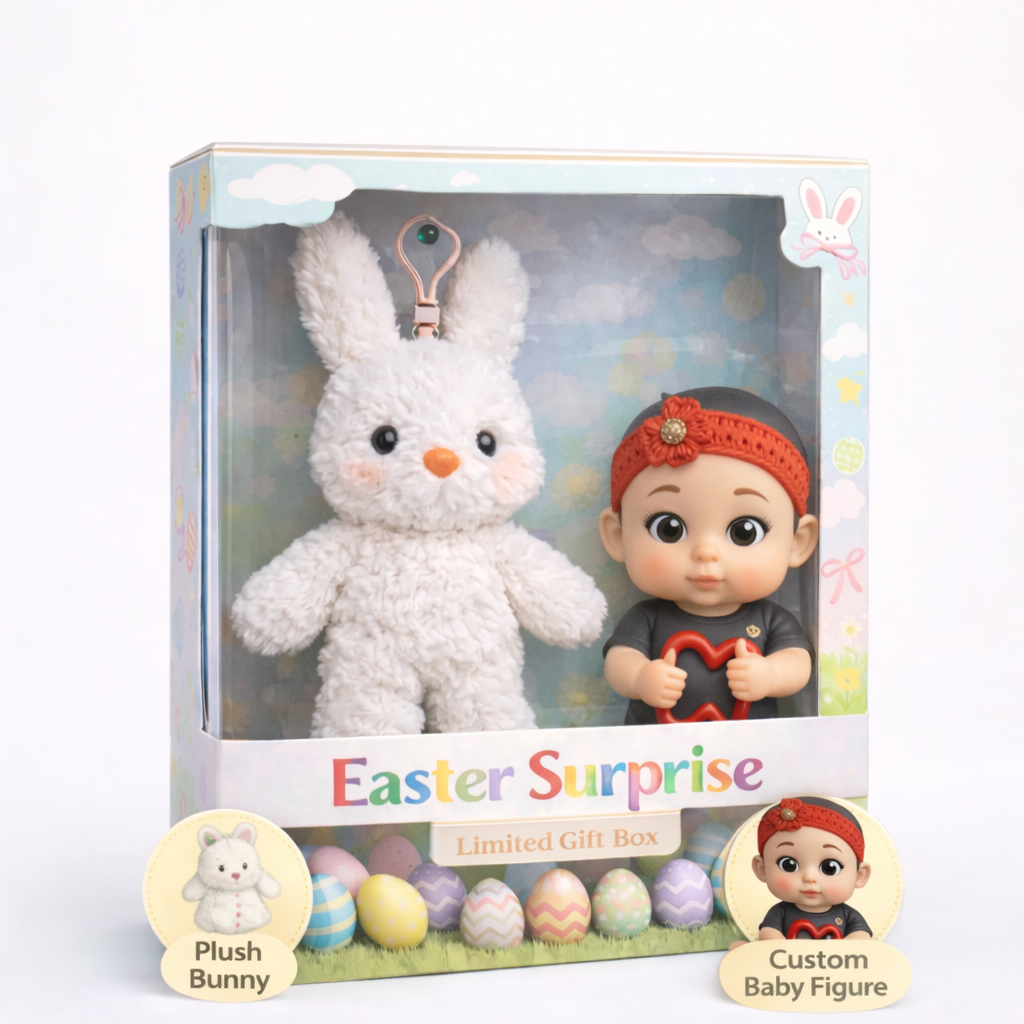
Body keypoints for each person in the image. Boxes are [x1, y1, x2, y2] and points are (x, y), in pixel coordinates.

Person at [599, 387, 819, 725]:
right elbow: (619, 660)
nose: (706, 552)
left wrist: (770, 675)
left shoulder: (769, 619)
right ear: (617, 537)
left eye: (744, 532)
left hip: (753, 753)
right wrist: (641, 678)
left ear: (797, 543)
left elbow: (798, 662)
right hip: (656, 751)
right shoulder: (647, 618)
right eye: (669, 528)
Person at [752, 796, 872, 940]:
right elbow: (768, 933)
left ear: (859, 876)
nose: (809, 877)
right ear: (762, 869)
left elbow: (861, 936)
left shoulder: (847, 915)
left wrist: (848, 947)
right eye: (789, 865)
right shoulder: (779, 913)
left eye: (829, 868)